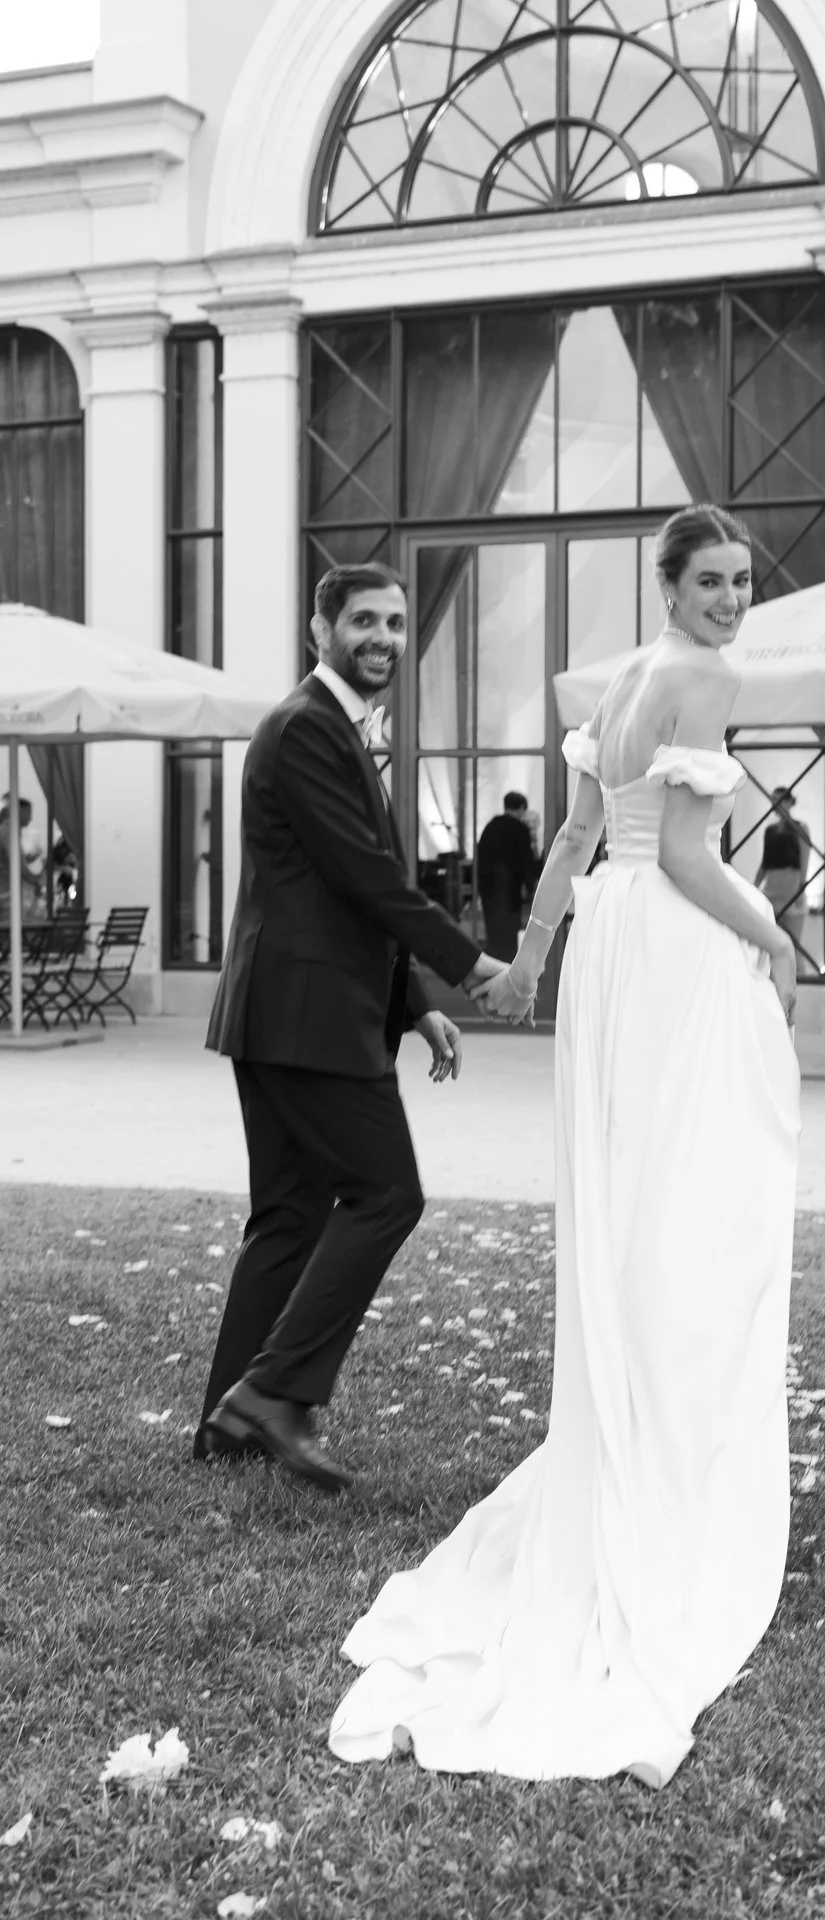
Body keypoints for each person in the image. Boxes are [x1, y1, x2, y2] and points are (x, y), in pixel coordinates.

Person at [328, 504, 801, 1788]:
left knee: (637, 1194)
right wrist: (773, 935)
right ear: (667, 583)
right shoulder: (706, 677)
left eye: (743, 581)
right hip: (677, 950)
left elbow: (581, 845)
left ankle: (637, 1432)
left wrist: (536, 956)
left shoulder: (621, 679)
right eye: (709, 579)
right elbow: (696, 856)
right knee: (701, 1196)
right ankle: (675, 1464)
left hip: (609, 954)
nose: (729, 600)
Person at [197, 563, 507, 1492]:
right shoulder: (304, 730)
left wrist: (413, 1006)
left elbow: (342, 887)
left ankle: (228, 1428)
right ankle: (273, 1395)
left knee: (290, 1216)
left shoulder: (331, 728)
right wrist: (470, 965)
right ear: (318, 629)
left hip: (290, 1013)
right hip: (306, 1018)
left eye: (399, 623)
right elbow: (369, 877)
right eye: (365, 620)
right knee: (385, 1195)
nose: (384, 637)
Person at [475, 790, 541, 959]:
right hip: (508, 888)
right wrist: (531, 885)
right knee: (509, 933)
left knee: (494, 933)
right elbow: (526, 861)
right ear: (520, 808)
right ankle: (506, 968)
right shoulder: (519, 829)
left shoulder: (490, 827)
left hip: (488, 888)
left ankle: (491, 964)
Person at [755, 787, 810, 951]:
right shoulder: (769, 831)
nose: (774, 804)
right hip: (771, 892)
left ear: (787, 802)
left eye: (777, 800)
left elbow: (804, 860)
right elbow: (764, 863)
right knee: (772, 947)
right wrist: (754, 888)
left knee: (793, 947)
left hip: (791, 892)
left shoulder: (800, 828)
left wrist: (801, 889)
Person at [0, 795, 46, 917]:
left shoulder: (8, 831)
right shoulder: (8, 833)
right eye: (28, 813)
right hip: (6, 896)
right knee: (10, 932)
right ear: (19, 812)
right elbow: (16, 865)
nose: (30, 818)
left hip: (8, 893)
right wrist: (35, 880)